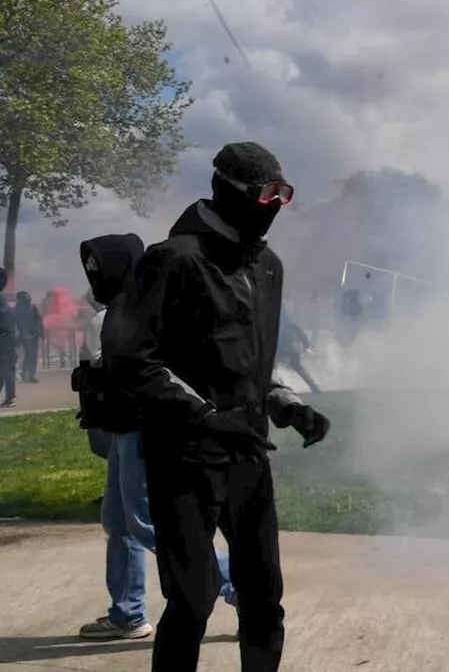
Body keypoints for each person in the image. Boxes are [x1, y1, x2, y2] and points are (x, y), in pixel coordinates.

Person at [104, 142, 331, 672]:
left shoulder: (267, 266)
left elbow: (252, 363)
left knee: (263, 599)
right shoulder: (173, 259)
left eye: (284, 195)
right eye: (266, 195)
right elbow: (132, 358)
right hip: (184, 460)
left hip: (247, 457)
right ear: (226, 191)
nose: (274, 206)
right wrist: (206, 416)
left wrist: (287, 404)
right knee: (192, 600)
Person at [73, 234, 239, 641]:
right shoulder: (132, 309)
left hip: (139, 433)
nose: (94, 275)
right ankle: (127, 613)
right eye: (89, 267)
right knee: (120, 522)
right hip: (123, 432)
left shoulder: (128, 314)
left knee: (148, 525)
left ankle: (245, 588)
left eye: (99, 267)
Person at [14, 290, 43, 383]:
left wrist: (41, 332)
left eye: (29, 297)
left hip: (34, 334)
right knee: (30, 355)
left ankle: (29, 374)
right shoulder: (17, 309)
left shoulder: (32, 307)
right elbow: (16, 324)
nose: (29, 299)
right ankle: (27, 375)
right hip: (24, 335)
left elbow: (39, 319)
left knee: (32, 356)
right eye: (26, 297)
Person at [0, 279, 15, 408]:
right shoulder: (10, 311)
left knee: (5, 373)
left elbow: (4, 330)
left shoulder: (2, 313)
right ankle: (10, 398)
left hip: (3, 347)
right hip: (9, 346)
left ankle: (9, 399)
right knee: (8, 373)